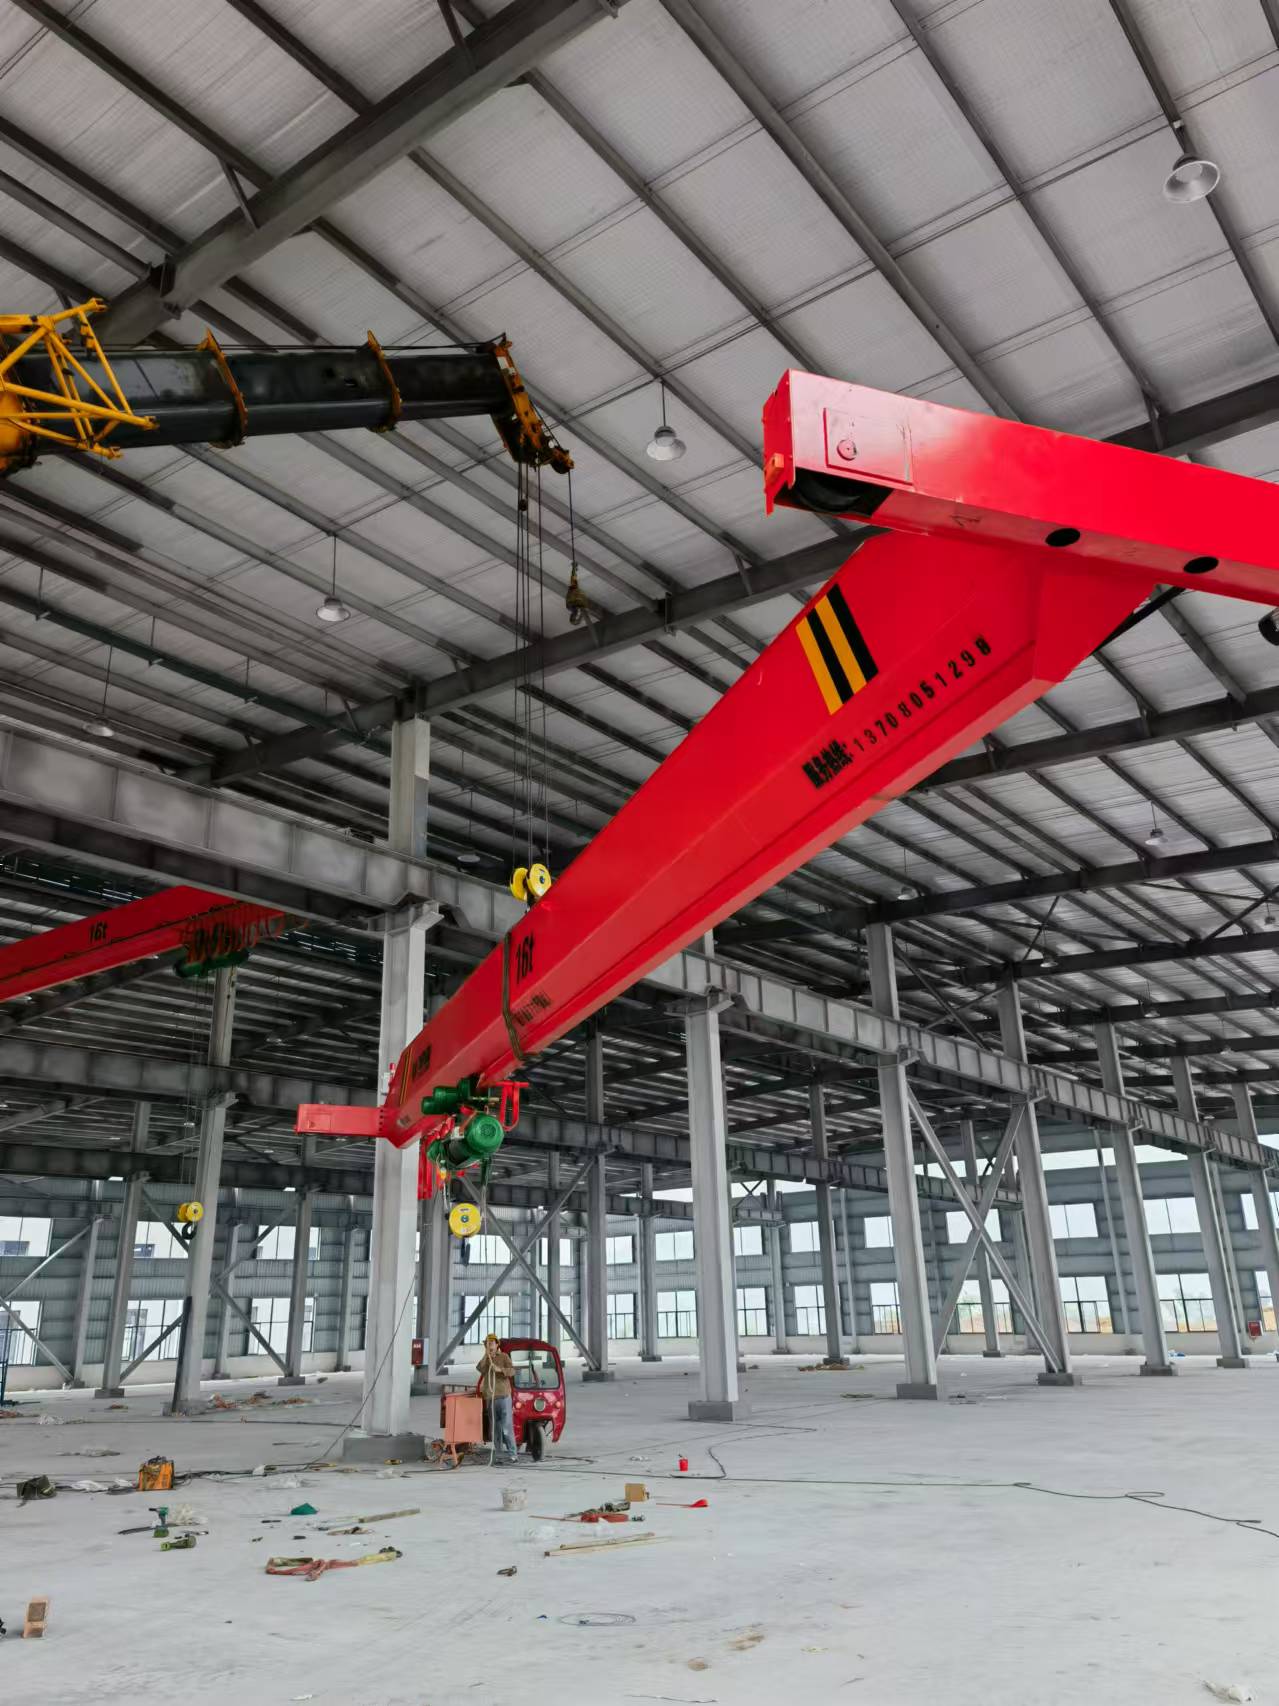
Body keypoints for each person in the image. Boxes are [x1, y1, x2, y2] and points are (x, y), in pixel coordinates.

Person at [476, 1333, 517, 1464]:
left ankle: (513, 1454)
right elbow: (480, 1369)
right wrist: (486, 1356)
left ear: (497, 1344)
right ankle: (499, 1455)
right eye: (487, 1344)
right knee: (495, 1429)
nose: (489, 1345)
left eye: (492, 1343)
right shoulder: (486, 1359)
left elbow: (512, 1371)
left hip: (503, 1397)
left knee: (506, 1427)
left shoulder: (504, 1356)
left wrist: (500, 1369)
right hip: (491, 1398)